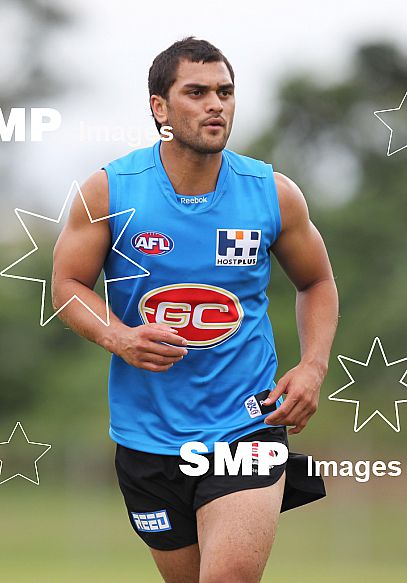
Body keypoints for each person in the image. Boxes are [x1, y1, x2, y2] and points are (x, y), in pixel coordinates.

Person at [52, 37, 338, 583]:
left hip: (244, 425)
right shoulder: (110, 190)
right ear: (159, 107)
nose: (217, 105)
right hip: (147, 437)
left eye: (226, 92)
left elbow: (317, 281)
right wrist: (119, 337)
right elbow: (67, 284)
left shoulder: (273, 194)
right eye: (197, 92)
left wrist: (313, 366)